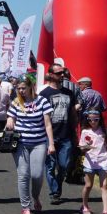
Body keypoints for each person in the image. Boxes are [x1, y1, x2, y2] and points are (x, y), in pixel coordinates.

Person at [6, 76, 54, 214]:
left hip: (39, 142)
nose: (20, 91)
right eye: (18, 88)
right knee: (23, 174)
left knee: (37, 174)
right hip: (20, 143)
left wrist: (51, 143)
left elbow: (47, 124)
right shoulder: (16, 102)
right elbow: (11, 117)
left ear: (30, 87)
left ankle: (36, 197)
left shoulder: (42, 101)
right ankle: (25, 206)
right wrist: (9, 122)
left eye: (23, 88)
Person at [40, 64, 78, 205]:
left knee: (64, 165)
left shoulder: (69, 93)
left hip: (66, 135)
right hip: (48, 136)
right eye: (59, 73)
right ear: (50, 74)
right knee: (50, 166)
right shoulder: (44, 94)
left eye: (63, 72)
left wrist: (75, 133)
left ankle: (58, 185)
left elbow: (73, 114)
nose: (62, 75)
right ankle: (54, 192)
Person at [78, 110, 107, 214]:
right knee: (88, 185)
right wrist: (85, 147)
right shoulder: (85, 132)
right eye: (90, 119)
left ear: (100, 119)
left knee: (104, 186)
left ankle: (106, 211)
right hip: (90, 162)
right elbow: (81, 148)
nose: (93, 122)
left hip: (103, 161)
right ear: (87, 119)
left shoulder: (105, 131)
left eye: (96, 119)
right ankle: (84, 205)